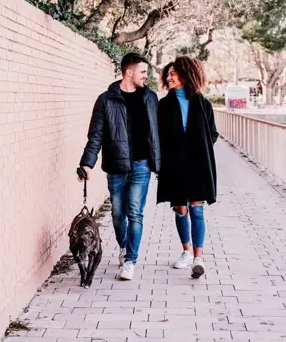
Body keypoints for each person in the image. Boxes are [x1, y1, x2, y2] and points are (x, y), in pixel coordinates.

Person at [78, 53, 160, 281]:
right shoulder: (105, 100)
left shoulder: (150, 98)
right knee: (117, 214)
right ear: (129, 72)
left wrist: (161, 164)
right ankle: (124, 247)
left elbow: (157, 133)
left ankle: (130, 260)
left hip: (142, 165)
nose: (146, 76)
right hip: (116, 165)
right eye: (143, 72)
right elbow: (95, 135)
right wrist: (87, 163)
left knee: (135, 213)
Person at [157, 56, 218, 279]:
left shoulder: (203, 103)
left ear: (185, 75)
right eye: (168, 74)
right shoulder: (163, 105)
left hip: (198, 163)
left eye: (173, 74)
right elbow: (159, 135)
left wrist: (199, 147)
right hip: (174, 163)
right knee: (180, 208)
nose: (169, 77)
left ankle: (198, 257)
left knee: (197, 208)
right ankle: (186, 251)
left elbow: (212, 133)